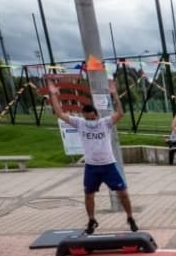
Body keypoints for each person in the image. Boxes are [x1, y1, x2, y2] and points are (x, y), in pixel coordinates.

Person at [47, 80, 138, 235]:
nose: (89, 121)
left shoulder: (104, 123)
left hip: (108, 164)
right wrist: (54, 95)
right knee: (89, 195)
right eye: (86, 118)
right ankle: (91, 220)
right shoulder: (80, 123)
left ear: (96, 115)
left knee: (123, 193)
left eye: (91, 118)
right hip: (91, 166)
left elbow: (120, 113)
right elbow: (59, 113)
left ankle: (130, 217)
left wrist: (115, 94)